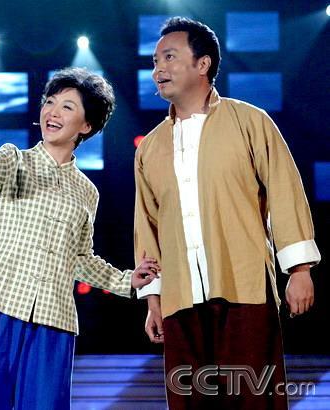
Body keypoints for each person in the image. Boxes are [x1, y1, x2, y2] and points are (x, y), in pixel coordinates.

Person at [0, 67, 159, 410]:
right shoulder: (14, 161)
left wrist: (127, 281)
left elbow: (80, 258)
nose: (52, 112)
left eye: (67, 106)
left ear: (86, 125)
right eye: (50, 102)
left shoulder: (87, 192)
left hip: (53, 320)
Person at [134, 17, 321, 410]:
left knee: (255, 399)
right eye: (155, 61)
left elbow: (285, 190)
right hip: (180, 299)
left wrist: (299, 270)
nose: (158, 69)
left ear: (202, 64)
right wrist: (153, 298)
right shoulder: (150, 147)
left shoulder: (249, 121)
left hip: (244, 290)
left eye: (169, 57)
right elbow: (146, 226)